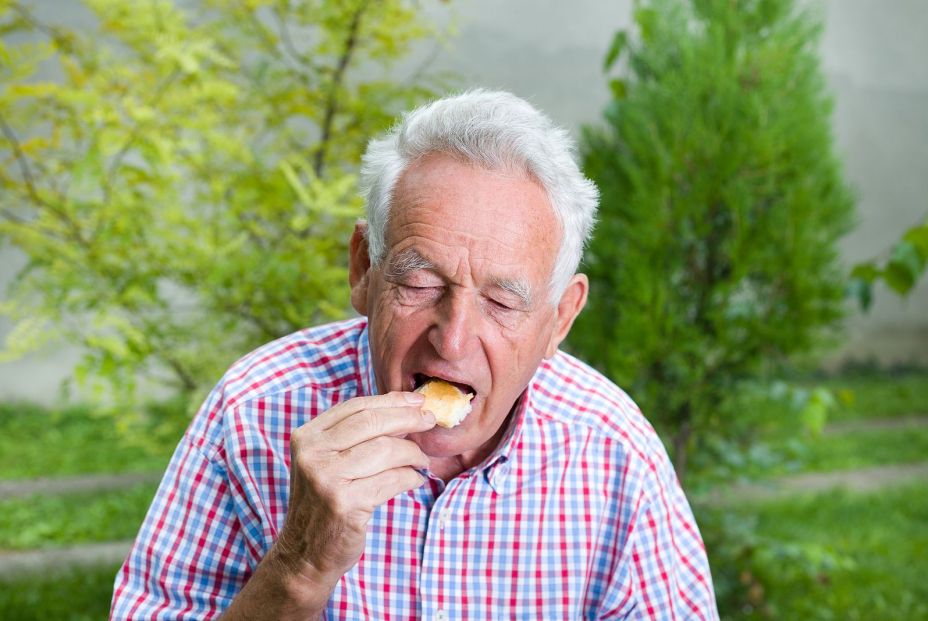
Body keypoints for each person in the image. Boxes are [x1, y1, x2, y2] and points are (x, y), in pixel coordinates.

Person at [111, 90, 718, 620]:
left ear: (560, 317)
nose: (452, 341)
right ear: (363, 270)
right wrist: (297, 567)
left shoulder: (612, 452)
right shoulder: (253, 412)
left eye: (503, 301)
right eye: (420, 284)